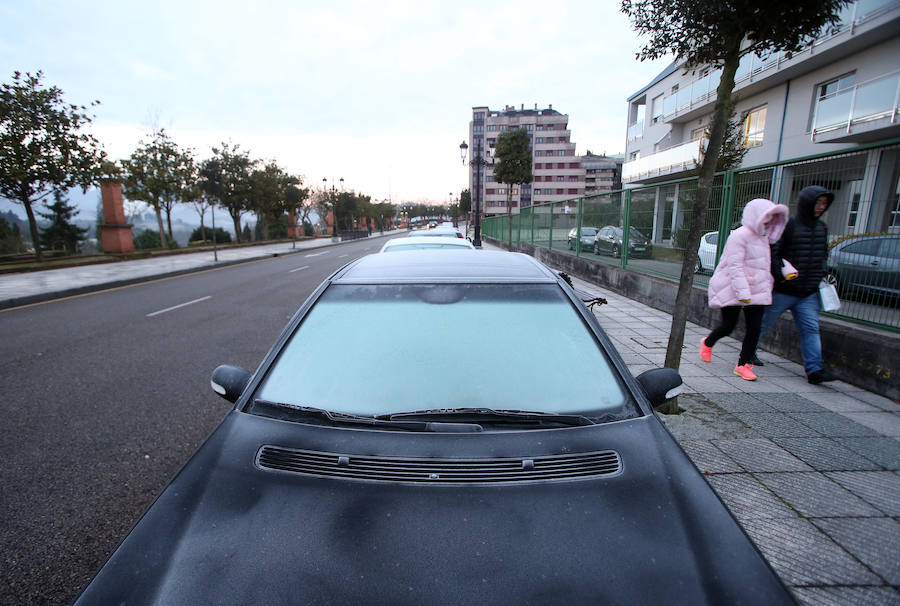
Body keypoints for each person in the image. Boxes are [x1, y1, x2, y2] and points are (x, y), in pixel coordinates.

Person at [700, 198, 790, 380]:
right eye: (767, 217)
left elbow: (768, 262)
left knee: (754, 328)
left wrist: (788, 270)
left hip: (757, 289)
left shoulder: (765, 238)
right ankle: (708, 342)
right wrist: (743, 292)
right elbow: (735, 266)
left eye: (772, 218)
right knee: (728, 326)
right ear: (756, 216)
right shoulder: (739, 236)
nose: (769, 222)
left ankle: (743, 364)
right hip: (732, 287)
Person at [756, 185, 836, 384]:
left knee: (811, 328)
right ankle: (748, 353)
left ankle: (814, 370)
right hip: (784, 289)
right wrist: (779, 276)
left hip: (808, 292)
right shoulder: (788, 226)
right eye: (817, 202)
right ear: (807, 203)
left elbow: (823, 254)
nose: (821, 207)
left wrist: (821, 272)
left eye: (824, 203)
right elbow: (774, 252)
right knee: (763, 323)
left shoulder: (822, 228)